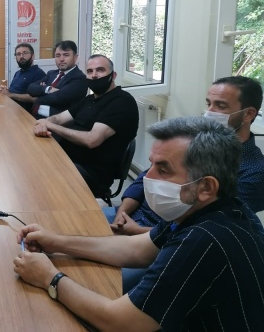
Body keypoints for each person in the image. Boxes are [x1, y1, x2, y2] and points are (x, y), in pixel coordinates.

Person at [14, 117, 264, 330]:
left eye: (163, 170)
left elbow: (119, 323)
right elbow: (135, 250)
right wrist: (56, 242)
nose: (147, 177)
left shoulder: (205, 239)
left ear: (206, 187)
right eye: (151, 164)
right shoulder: (208, 209)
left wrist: (50, 278)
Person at [104, 76, 264, 292]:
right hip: (131, 217)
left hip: (167, 241)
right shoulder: (193, 140)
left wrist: (138, 231)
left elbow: (214, 227)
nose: (210, 112)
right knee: (72, 228)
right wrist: (123, 211)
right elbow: (145, 177)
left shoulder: (254, 171)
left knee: (102, 283)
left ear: (248, 114)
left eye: (221, 106)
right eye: (208, 103)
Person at [34, 54, 138, 194]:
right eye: (90, 71)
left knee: (36, 174)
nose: (94, 75)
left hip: (90, 174)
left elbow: (92, 140)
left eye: (100, 70)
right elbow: (59, 118)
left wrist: (51, 126)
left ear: (113, 75)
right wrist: (45, 123)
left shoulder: (122, 101)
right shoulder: (90, 99)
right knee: (30, 158)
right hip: (68, 160)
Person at [27, 40, 88, 118]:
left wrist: (38, 96)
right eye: (58, 55)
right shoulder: (51, 73)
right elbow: (30, 88)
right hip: (35, 116)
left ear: (75, 58)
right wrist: (48, 89)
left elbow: (59, 98)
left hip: (58, 122)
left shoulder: (80, 78)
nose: (61, 59)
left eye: (66, 55)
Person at [0, 43, 46, 111]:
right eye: (18, 54)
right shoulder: (18, 73)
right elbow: (14, 91)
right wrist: (4, 89)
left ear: (32, 56)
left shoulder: (38, 73)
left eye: (25, 53)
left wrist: (10, 94)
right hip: (9, 106)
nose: (21, 56)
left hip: (22, 112)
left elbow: (35, 98)